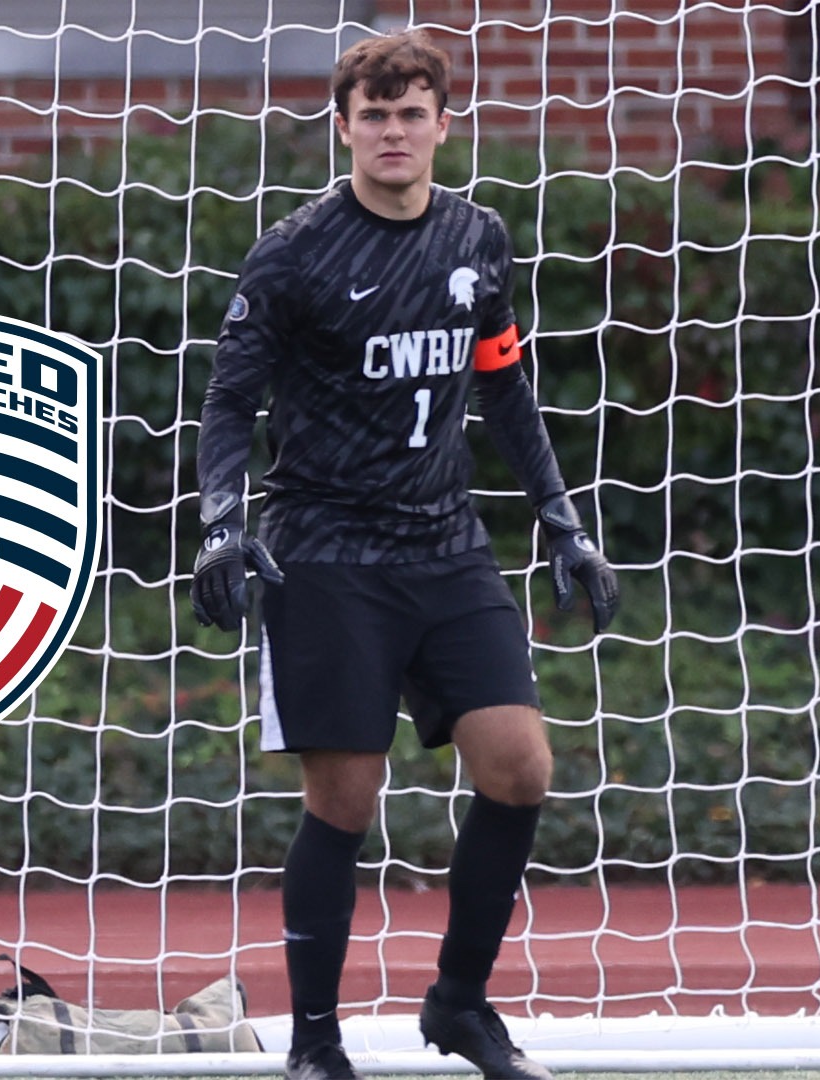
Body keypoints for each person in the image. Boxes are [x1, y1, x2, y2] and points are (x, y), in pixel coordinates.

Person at [190, 28, 619, 1080]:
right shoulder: (294, 253)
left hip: (447, 546)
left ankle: (460, 1005)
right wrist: (218, 521)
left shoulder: (478, 239)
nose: (393, 130)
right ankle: (314, 1044)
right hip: (327, 556)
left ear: (442, 123)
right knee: (345, 799)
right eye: (373, 114)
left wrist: (560, 517)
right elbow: (229, 399)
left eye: (411, 111)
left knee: (521, 768)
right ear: (343, 126)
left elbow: (505, 384)